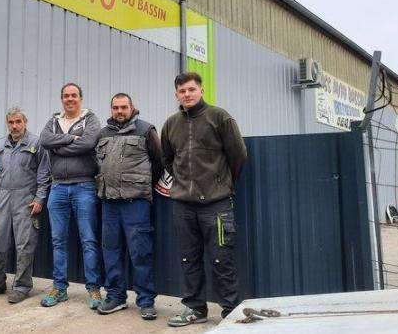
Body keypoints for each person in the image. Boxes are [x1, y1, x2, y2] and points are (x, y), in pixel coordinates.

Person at [161, 72, 247, 327]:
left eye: (191, 89)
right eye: (182, 91)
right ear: (176, 94)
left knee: (222, 259)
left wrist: (221, 183)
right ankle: (195, 309)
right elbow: (167, 159)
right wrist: (182, 182)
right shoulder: (170, 124)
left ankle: (231, 310)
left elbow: (238, 154)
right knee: (189, 259)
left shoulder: (219, 117)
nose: (187, 94)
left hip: (216, 204)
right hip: (183, 206)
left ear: (201, 90)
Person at [94, 93, 163, 321]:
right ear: (111, 109)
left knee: (140, 253)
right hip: (109, 203)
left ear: (132, 107)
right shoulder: (103, 134)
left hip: (136, 203)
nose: (120, 111)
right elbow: (98, 163)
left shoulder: (146, 130)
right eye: (116, 107)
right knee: (110, 252)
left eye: (124, 107)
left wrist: (141, 185)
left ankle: (146, 301)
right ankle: (115, 297)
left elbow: (159, 162)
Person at [0, 107, 50, 303]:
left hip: (27, 200)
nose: (14, 126)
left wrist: (39, 198)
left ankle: (22, 286)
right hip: (2, 199)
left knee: (24, 245)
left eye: (18, 122)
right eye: (11, 122)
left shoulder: (36, 143)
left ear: (25, 122)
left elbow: (44, 175)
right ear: (7, 123)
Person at [39, 82, 103, 309]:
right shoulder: (54, 120)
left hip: (84, 186)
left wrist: (59, 146)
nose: (70, 99)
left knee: (88, 239)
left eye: (74, 95)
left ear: (81, 98)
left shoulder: (91, 119)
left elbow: (88, 143)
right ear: (62, 99)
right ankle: (59, 288)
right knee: (58, 240)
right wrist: (69, 139)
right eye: (66, 96)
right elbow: (44, 140)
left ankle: (94, 290)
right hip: (57, 188)